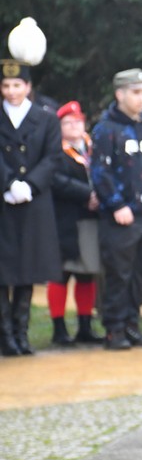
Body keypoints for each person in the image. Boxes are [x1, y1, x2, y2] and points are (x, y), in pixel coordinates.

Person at [91, 68, 142, 350]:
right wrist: (115, 204)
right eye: (136, 92)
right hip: (122, 217)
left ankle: (131, 323)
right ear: (120, 94)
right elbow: (100, 172)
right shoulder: (106, 129)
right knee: (119, 274)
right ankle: (114, 328)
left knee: (140, 275)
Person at [0, 24, 62, 356]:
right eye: (6, 85)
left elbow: (52, 157)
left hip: (33, 201)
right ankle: (5, 335)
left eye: (17, 85)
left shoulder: (46, 119)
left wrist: (30, 184)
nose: (11, 91)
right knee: (2, 273)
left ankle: (22, 333)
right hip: (4, 201)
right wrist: (9, 183)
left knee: (27, 270)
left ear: (28, 86)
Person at [46, 101, 103, 346]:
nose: (73, 126)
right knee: (62, 273)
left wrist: (101, 195)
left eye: (77, 121)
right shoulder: (55, 150)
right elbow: (54, 179)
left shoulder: (94, 148)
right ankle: (59, 329)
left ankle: (85, 326)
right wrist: (86, 194)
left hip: (91, 220)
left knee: (87, 273)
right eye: (67, 123)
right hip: (65, 219)